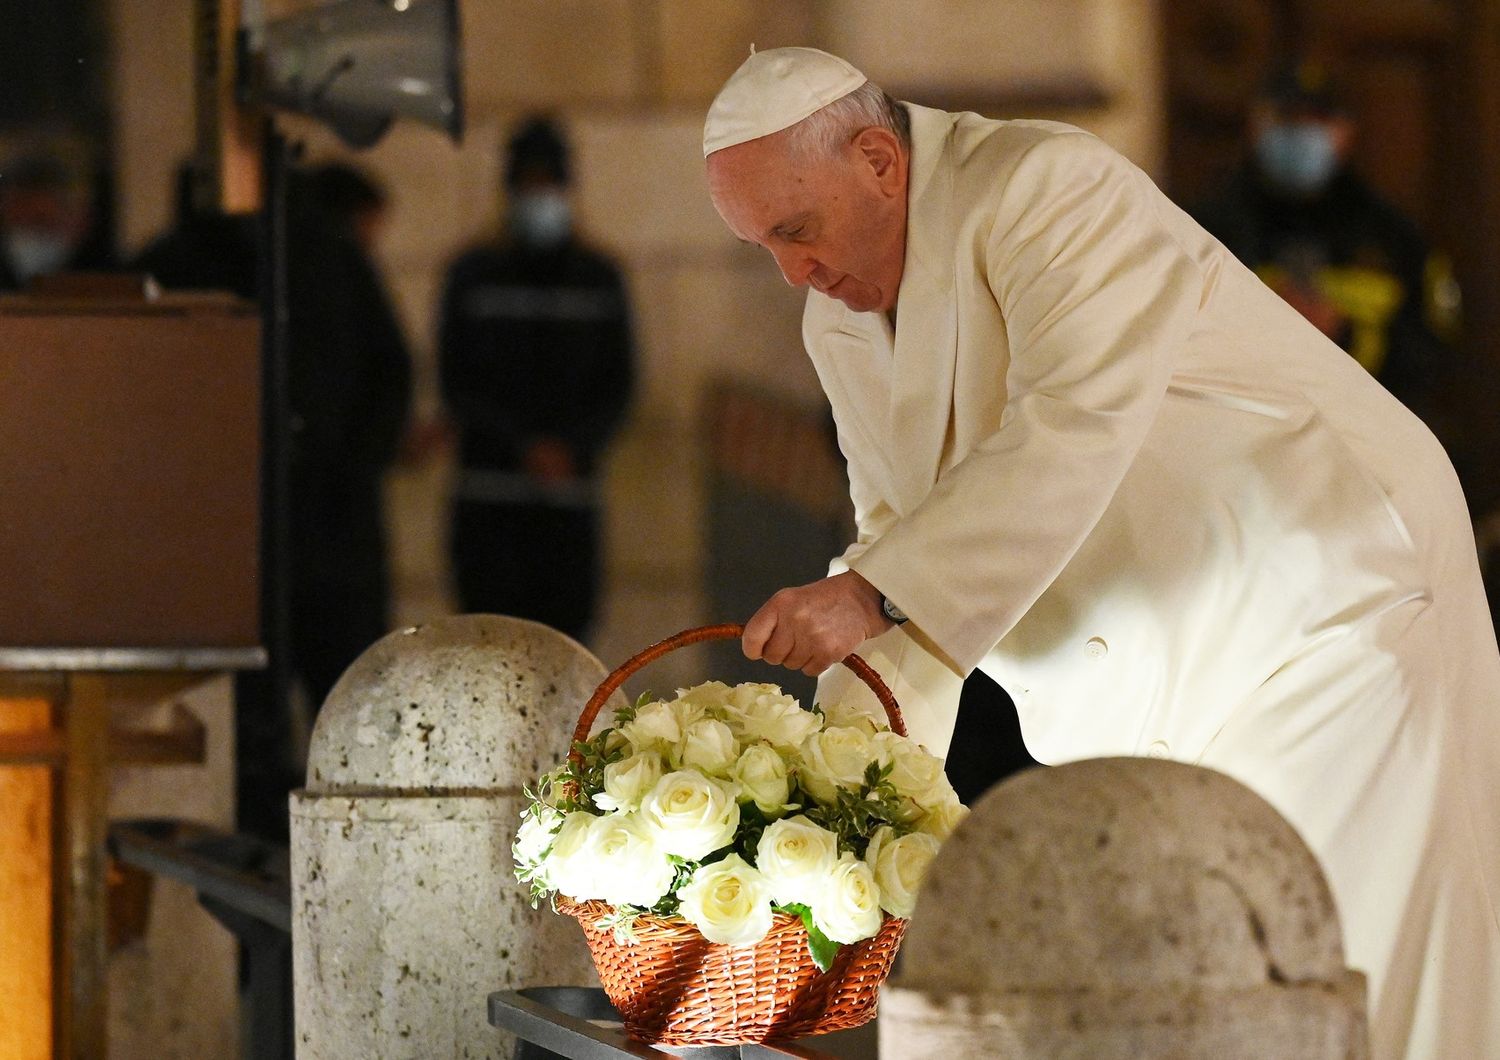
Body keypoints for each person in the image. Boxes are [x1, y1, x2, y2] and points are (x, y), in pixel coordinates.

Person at [703, 47, 1499, 1057]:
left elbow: (1073, 423)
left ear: (880, 161)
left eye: (796, 230)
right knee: (1202, 984)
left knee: (1352, 963)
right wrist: (832, 809)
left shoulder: (1043, 186)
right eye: (760, 246)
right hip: (1177, 666)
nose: (792, 274)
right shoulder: (841, 322)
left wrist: (873, 591)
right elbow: (896, 543)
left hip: (1327, 614)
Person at [438, 117, 634, 641]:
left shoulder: (599, 276)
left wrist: (572, 446)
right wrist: (522, 446)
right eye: (529, 183)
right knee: (487, 648)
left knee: (568, 648)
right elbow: (455, 380)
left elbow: (619, 383)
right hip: (489, 500)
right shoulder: (472, 273)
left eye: (549, 184)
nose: (539, 196)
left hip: (569, 505)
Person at [1192, 62, 1459, 421]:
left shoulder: (1394, 237)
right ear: (1256, 126)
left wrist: (1344, 332)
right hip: (1236, 431)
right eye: (1288, 118)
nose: (1303, 132)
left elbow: (1430, 347)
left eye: (1318, 120)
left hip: (1365, 433)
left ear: (1346, 131)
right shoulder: (1204, 229)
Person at [0, 150, 112, 290]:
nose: (31, 235)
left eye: (42, 223)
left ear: (81, 221)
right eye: (19, 223)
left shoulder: (111, 283)